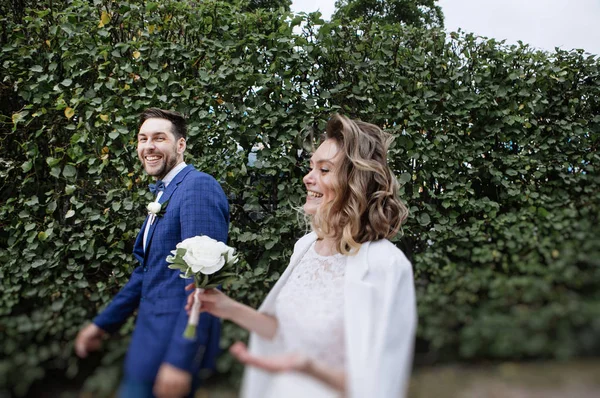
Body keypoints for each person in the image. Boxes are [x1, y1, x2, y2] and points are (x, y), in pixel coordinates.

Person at [187, 114, 417, 397]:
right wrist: (226, 307)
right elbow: (281, 331)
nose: (308, 178)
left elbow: (382, 384)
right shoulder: (306, 246)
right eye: (311, 168)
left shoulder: (387, 265)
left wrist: (309, 368)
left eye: (324, 170)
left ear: (355, 181)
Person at [75, 108, 229, 398]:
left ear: (180, 145)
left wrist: (181, 360)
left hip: (171, 350)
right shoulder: (166, 192)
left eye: (159, 138)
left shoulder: (198, 188)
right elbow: (147, 273)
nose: (149, 146)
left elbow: (205, 281)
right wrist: (102, 324)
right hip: (147, 347)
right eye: (143, 138)